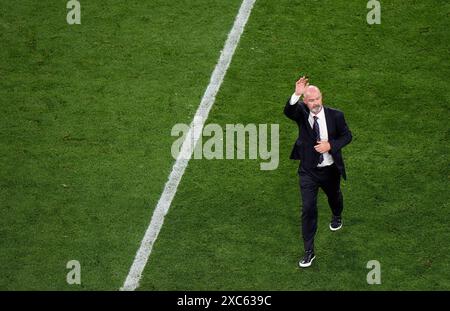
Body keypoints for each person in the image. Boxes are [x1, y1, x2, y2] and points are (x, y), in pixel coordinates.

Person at [284, 76, 352, 268]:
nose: (315, 103)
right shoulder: (302, 113)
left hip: (330, 169)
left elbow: (347, 136)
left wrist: (330, 145)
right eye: (310, 100)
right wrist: (296, 93)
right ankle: (309, 251)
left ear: (322, 97)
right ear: (305, 102)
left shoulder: (336, 115)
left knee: (334, 196)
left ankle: (337, 215)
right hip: (308, 171)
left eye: (317, 99)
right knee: (308, 209)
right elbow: (288, 111)